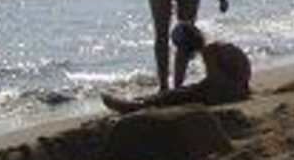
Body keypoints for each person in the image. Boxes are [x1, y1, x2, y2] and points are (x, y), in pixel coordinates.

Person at [103, 23, 252, 113]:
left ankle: (139, 105)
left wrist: (196, 88)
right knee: (185, 91)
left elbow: (215, 80)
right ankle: (140, 101)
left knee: (179, 95)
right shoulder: (216, 46)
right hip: (239, 87)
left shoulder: (209, 52)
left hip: (231, 91)